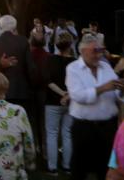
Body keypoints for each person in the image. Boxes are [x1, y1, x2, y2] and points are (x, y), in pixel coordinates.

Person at [65, 33, 124, 180]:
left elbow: (118, 95)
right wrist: (102, 88)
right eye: (95, 51)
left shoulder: (106, 67)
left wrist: (122, 89)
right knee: (79, 168)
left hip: (108, 127)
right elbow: (78, 96)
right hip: (84, 127)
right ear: (82, 51)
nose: (98, 55)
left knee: (106, 167)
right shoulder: (73, 68)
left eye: (100, 50)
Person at [0, 15, 38, 140]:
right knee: (19, 127)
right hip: (21, 91)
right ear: (14, 27)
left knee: (1, 127)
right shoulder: (23, 41)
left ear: (0, 27)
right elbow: (30, 67)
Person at [44, 35, 76, 174]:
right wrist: (67, 94)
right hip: (71, 102)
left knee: (52, 134)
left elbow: (48, 81)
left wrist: (62, 93)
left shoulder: (50, 60)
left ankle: (52, 167)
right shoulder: (75, 63)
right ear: (70, 45)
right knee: (67, 133)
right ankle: (67, 165)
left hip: (52, 101)